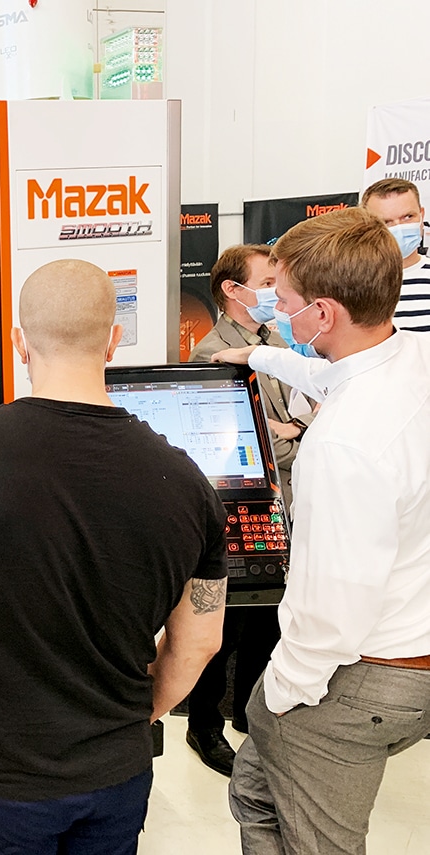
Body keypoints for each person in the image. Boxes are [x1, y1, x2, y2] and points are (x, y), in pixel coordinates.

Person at [0, 259, 227, 855]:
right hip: (117, 775)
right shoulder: (188, 484)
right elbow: (199, 643)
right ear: (114, 340)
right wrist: (137, 718)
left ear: (19, 341)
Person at [211, 207, 430, 855]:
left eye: (284, 301)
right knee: (255, 793)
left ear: (325, 313)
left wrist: (282, 691)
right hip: (408, 647)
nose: (276, 309)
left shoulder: (344, 443)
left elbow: (334, 603)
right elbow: (329, 371)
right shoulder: (410, 356)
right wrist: (259, 353)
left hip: (357, 674)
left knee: (321, 844)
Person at [183, 245, 314, 777]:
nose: (275, 293)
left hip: (283, 504)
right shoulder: (211, 355)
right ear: (232, 290)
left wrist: (296, 429)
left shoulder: (276, 342)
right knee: (224, 628)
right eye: (266, 283)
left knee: (269, 618)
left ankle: (247, 713)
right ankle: (203, 726)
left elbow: (303, 413)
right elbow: (246, 442)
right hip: (235, 509)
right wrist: (300, 435)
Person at [361, 177, 430, 332]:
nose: (399, 227)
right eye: (386, 222)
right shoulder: (350, 283)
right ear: (367, 225)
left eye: (408, 217)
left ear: (421, 215)